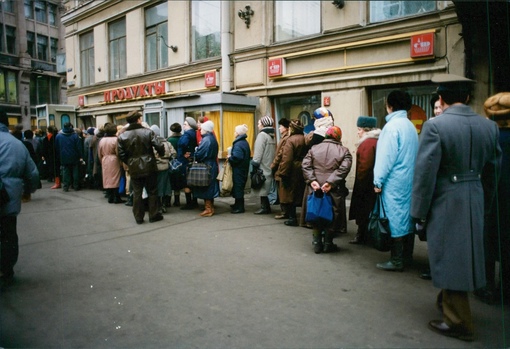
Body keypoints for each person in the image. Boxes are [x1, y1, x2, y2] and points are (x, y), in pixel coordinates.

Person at [411, 74, 501, 342]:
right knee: (465, 253)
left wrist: (418, 211)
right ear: (467, 98)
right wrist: (483, 199)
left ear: (441, 98)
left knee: (449, 253)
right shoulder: (489, 127)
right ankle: (448, 302)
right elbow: (493, 171)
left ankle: (458, 321)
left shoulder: (435, 126)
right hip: (474, 194)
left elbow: (425, 173)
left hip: (446, 197)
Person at [373, 90, 418, 272]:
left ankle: (397, 260)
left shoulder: (391, 127)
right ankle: (407, 256)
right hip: (409, 179)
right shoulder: (410, 126)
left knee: (395, 219)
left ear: (389, 105)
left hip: (394, 181)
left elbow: (385, 158)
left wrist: (378, 181)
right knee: (407, 218)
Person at [477, 92, 510, 304]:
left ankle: (487, 286)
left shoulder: (489, 138)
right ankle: (505, 290)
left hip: (492, 198)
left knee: (488, 243)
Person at [0, 111, 39, 286]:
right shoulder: (16, 144)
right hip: (8, 201)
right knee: (8, 234)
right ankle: (6, 269)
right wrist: (28, 191)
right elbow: (32, 173)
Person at [302, 126, 352, 253]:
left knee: (315, 212)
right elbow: (344, 169)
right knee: (331, 214)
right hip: (333, 189)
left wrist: (312, 180)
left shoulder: (314, 148)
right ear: (338, 136)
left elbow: (305, 165)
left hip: (315, 187)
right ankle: (328, 243)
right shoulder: (344, 151)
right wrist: (331, 182)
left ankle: (317, 243)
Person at [118, 110, 165, 224]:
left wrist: (130, 161)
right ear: (138, 120)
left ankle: (139, 217)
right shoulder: (148, 132)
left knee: (137, 192)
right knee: (152, 191)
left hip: (134, 166)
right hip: (149, 165)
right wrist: (160, 153)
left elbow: (121, 154)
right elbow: (159, 145)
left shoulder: (122, 136)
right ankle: (153, 215)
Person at [348, 116, 380, 244]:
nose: (358, 132)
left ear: (366, 129)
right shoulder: (377, 140)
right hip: (373, 182)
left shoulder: (367, 143)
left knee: (363, 210)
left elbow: (364, 166)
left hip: (366, 184)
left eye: (359, 129)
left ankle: (362, 235)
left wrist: (360, 183)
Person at [274, 119, 307, 227]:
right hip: (302, 167)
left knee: (290, 194)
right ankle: (303, 217)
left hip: (292, 169)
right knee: (300, 192)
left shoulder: (290, 140)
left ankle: (292, 218)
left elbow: (286, 159)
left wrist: (282, 173)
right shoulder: (305, 138)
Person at [192, 120, 219, 217]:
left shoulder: (206, 140)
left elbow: (199, 154)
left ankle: (208, 209)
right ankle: (210, 207)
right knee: (210, 186)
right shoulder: (212, 139)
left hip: (206, 165)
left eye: (202, 128)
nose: (200, 130)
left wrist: (196, 151)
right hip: (212, 165)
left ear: (206, 130)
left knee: (206, 186)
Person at [251, 115, 276, 214]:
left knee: (262, 184)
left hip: (263, 163)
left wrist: (255, 163)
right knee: (266, 184)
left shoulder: (262, 135)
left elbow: (258, 151)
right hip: (269, 162)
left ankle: (264, 207)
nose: (258, 125)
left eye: (259, 123)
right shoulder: (271, 135)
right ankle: (266, 206)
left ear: (263, 124)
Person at [150, 124, 175, 213]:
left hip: (155, 168)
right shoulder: (167, 142)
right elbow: (173, 153)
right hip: (165, 167)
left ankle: (158, 206)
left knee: (156, 187)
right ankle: (164, 204)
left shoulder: (152, 143)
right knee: (165, 186)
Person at [97, 123, 124, 204]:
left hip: (105, 159)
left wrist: (102, 160)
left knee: (107, 178)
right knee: (116, 178)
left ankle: (110, 196)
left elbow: (99, 153)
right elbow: (118, 152)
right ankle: (116, 197)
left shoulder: (102, 140)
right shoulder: (116, 140)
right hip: (114, 159)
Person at [270, 118, 291, 219]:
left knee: (283, 190)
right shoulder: (284, 137)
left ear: (286, 128)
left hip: (281, 166)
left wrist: (273, 165)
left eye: (281, 126)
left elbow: (280, 154)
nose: (279, 128)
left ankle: (285, 212)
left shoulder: (286, 138)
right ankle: (285, 211)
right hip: (281, 166)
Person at [228, 124, 251, 214]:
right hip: (243, 168)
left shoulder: (238, 143)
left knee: (238, 186)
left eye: (235, 131)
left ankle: (240, 207)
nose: (234, 132)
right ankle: (237, 204)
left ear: (238, 133)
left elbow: (237, 157)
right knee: (239, 186)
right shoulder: (244, 142)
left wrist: (230, 157)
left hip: (239, 168)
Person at [55, 122, 84, 192]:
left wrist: (59, 155)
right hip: (74, 156)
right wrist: (81, 156)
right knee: (75, 171)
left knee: (65, 171)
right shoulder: (75, 136)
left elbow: (57, 147)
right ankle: (76, 186)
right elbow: (79, 147)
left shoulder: (59, 136)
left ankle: (65, 186)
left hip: (64, 156)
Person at [178, 117, 198, 210]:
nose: (183, 126)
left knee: (186, 182)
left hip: (185, 161)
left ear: (189, 126)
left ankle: (189, 203)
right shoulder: (195, 133)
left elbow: (182, 144)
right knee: (193, 182)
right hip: (192, 160)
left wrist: (184, 152)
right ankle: (195, 201)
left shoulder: (187, 134)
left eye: (185, 124)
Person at [167, 122, 183, 207]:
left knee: (170, 182)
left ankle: (168, 201)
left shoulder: (169, 140)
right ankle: (177, 200)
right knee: (177, 182)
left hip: (171, 163)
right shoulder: (182, 138)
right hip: (180, 163)